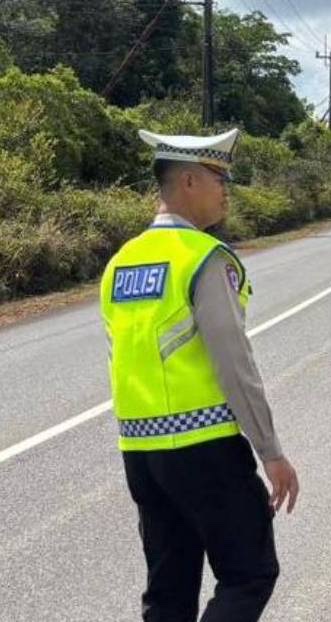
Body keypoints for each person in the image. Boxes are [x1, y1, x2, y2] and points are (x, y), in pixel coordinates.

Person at [99, 128, 299, 622]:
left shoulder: (121, 263)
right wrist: (271, 452)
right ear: (188, 181)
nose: (226, 189)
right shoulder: (204, 260)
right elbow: (235, 365)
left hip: (141, 453)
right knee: (249, 573)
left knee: (168, 592)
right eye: (219, 177)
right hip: (205, 447)